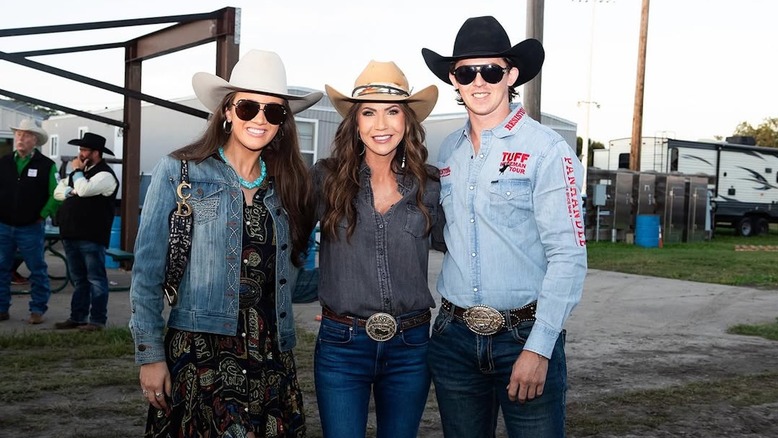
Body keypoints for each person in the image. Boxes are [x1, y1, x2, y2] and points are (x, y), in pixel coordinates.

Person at [129, 49, 321, 437]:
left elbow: (290, 279)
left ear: (283, 123)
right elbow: (147, 273)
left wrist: (349, 293)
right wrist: (150, 355)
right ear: (228, 112)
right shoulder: (180, 172)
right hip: (199, 353)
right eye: (248, 107)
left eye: (274, 111)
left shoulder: (291, 185)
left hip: (271, 357)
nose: (260, 119)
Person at [421, 16, 588, 437]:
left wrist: (540, 347)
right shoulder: (449, 151)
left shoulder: (548, 150)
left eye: (491, 71)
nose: (479, 81)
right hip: (454, 338)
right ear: (454, 80)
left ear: (511, 75)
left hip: (523, 337)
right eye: (466, 72)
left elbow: (568, 255)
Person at [311, 60, 440, 438]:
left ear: (407, 121)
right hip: (342, 346)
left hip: (411, 346)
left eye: (392, 112)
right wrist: (327, 296)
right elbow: (287, 244)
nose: (381, 125)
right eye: (368, 112)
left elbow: (462, 248)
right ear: (355, 122)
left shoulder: (430, 185)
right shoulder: (325, 178)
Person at [53, 133, 119, 331]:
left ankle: (97, 320)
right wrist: (70, 190)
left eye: (84, 150)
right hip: (71, 233)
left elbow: (83, 190)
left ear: (96, 153)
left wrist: (76, 175)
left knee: (96, 279)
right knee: (79, 279)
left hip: (91, 236)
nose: (80, 154)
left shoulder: (105, 175)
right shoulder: (80, 175)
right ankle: (78, 317)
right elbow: (57, 192)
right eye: (80, 150)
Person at [0, 118, 59, 324]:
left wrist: (43, 214)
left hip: (31, 226)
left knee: (37, 269)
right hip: (4, 225)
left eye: (25, 135)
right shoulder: (4, 162)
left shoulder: (47, 165)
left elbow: (56, 194)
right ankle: (1, 308)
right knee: (1, 268)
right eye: (18, 134)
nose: (20, 138)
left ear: (35, 140)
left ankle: (37, 310)